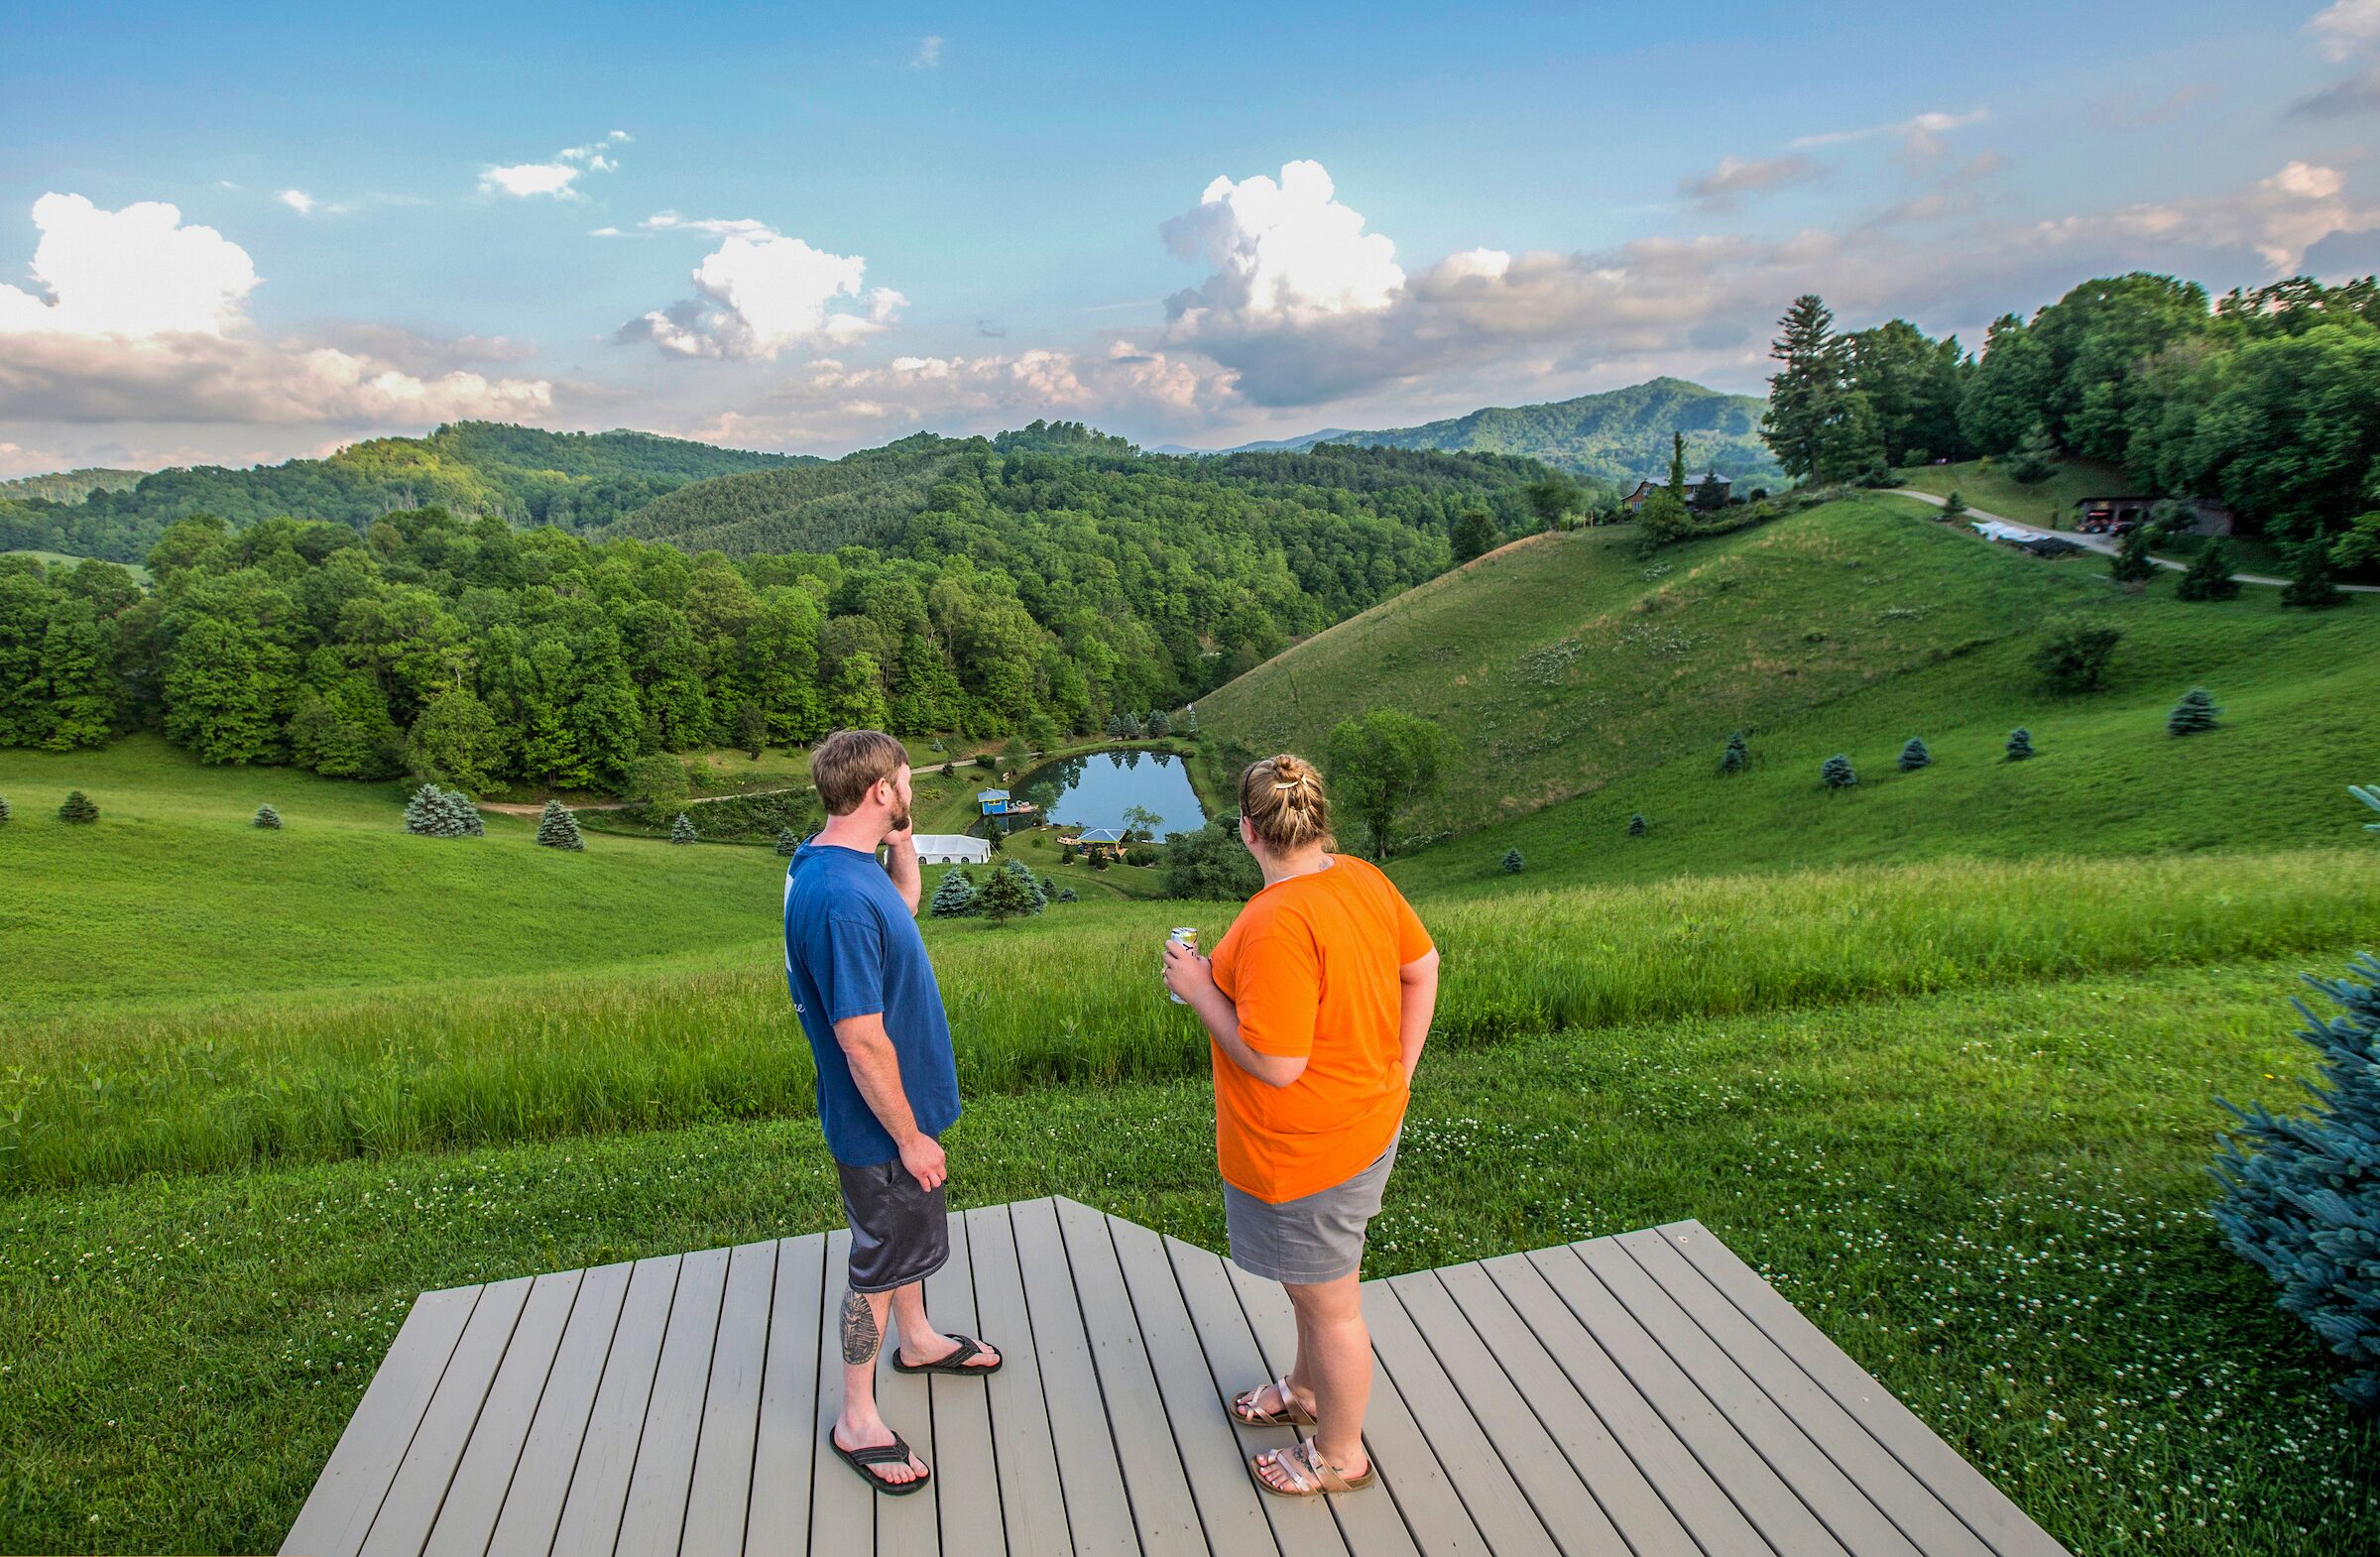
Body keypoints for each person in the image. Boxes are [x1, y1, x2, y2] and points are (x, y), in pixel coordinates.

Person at [1163, 753, 1440, 1497]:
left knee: (1331, 1305)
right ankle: (1307, 1391)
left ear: (1249, 832)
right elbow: (1424, 967)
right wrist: (1400, 1073)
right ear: (1317, 821)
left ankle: (1339, 1454)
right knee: (1314, 1290)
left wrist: (1196, 987)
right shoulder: (1362, 878)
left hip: (1305, 1154)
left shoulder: (1276, 922)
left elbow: (1277, 1062)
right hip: (1362, 1126)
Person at [783, 729, 1003, 1496]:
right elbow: (860, 1039)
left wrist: (903, 849)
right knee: (875, 1262)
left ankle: (917, 1340)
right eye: (906, 782)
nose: (911, 790)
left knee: (898, 1244)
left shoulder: (834, 863)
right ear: (882, 790)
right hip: (881, 1125)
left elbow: (897, 916)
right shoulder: (840, 898)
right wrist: (909, 1137)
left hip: (890, 1115)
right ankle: (856, 1416)